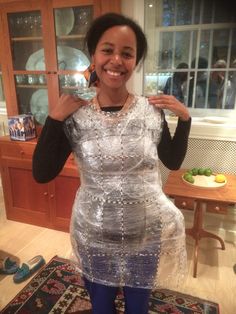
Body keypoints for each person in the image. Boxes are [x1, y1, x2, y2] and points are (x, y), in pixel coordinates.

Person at [33, 13, 191, 314]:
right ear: (93, 55)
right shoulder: (74, 116)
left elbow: (172, 159)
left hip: (145, 233)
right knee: (102, 308)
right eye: (108, 50)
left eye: (127, 53)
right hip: (94, 234)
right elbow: (42, 173)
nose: (116, 60)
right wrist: (54, 119)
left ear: (135, 61)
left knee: (138, 308)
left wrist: (185, 120)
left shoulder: (150, 112)